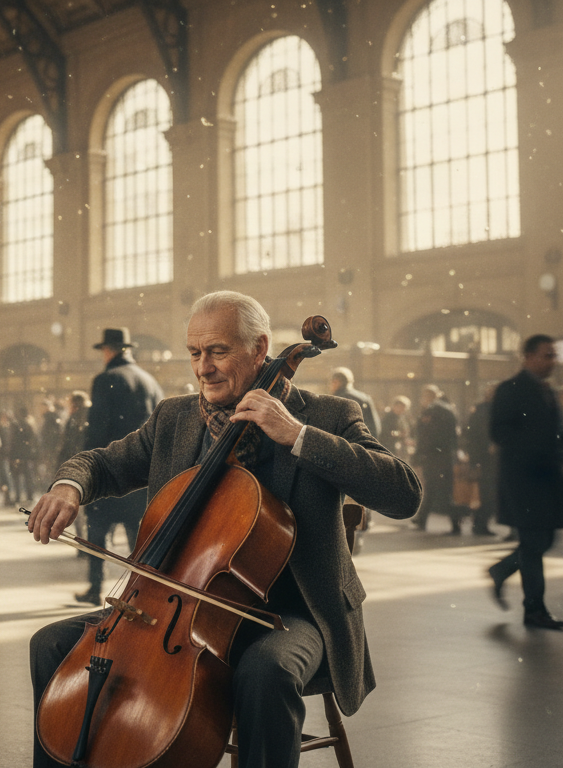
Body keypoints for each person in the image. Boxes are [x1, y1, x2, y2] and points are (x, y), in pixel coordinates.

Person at [27, 291, 421, 768]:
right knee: (50, 644)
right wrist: (68, 487)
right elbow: (102, 463)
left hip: (293, 613)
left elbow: (405, 493)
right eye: (195, 353)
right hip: (177, 609)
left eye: (217, 351)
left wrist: (296, 435)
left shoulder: (328, 415)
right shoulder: (174, 417)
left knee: (266, 671)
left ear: (260, 349)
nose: (203, 368)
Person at [487, 335, 563, 630]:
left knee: (543, 540)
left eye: (554, 355)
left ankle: (502, 570)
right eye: (547, 355)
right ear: (528, 357)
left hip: (544, 478)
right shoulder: (510, 389)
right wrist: (536, 449)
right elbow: (499, 432)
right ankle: (534, 609)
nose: (552, 361)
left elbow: (558, 431)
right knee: (534, 543)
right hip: (525, 480)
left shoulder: (547, 391)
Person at [74, 328, 164, 605]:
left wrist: (91, 469)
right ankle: (142, 592)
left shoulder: (106, 380)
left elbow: (97, 432)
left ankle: (95, 587)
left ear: (107, 350)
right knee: (138, 537)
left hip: (113, 472)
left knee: (97, 534)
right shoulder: (150, 381)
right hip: (143, 475)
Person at [413, 384, 459, 533]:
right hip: (445, 456)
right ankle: (424, 520)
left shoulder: (432, 410)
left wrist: (419, 456)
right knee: (443, 490)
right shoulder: (448, 409)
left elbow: (425, 437)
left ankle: (423, 520)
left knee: (433, 489)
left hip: (433, 457)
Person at [463, 384, 499, 537]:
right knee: (488, 492)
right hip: (487, 458)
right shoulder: (486, 410)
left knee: (487, 492)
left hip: (484, 457)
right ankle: (480, 524)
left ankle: (480, 523)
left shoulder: (482, 409)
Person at [327, 367, 380, 436]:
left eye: (331, 382)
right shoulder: (364, 398)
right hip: (362, 439)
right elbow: (374, 426)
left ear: (336, 382)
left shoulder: (334, 400)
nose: (330, 386)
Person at [6, 404, 37, 506]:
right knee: (28, 476)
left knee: (17, 477)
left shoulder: (14, 425)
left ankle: (18, 497)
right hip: (27, 455)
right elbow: (34, 440)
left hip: (17, 455)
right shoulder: (29, 425)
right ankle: (30, 496)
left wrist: (11, 455)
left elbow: (11, 441)